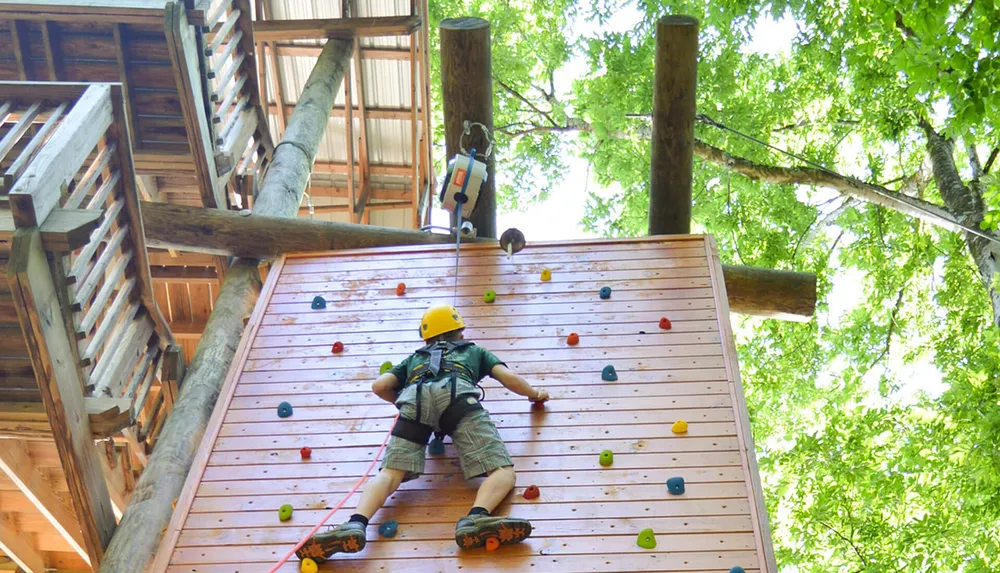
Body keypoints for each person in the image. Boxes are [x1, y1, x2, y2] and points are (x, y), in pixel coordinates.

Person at [296, 304, 550, 563]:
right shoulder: (473, 351)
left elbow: (379, 386)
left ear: (427, 337)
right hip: (457, 397)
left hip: (414, 399)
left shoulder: (415, 358)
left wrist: (406, 405)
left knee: (390, 474)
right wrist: (535, 394)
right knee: (502, 471)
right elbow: (508, 377)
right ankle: (476, 518)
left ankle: (355, 523)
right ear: (459, 332)